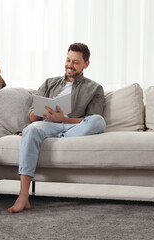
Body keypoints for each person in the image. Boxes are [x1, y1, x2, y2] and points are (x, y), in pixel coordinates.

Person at [8, 43, 106, 213]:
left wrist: (64, 120)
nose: (70, 65)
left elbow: (91, 119)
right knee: (32, 129)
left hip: (73, 128)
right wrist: (39, 113)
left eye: (76, 62)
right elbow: (31, 116)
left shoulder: (94, 88)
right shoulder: (49, 83)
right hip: (47, 125)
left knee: (98, 121)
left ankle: (57, 137)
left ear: (86, 64)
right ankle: (23, 195)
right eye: (68, 60)